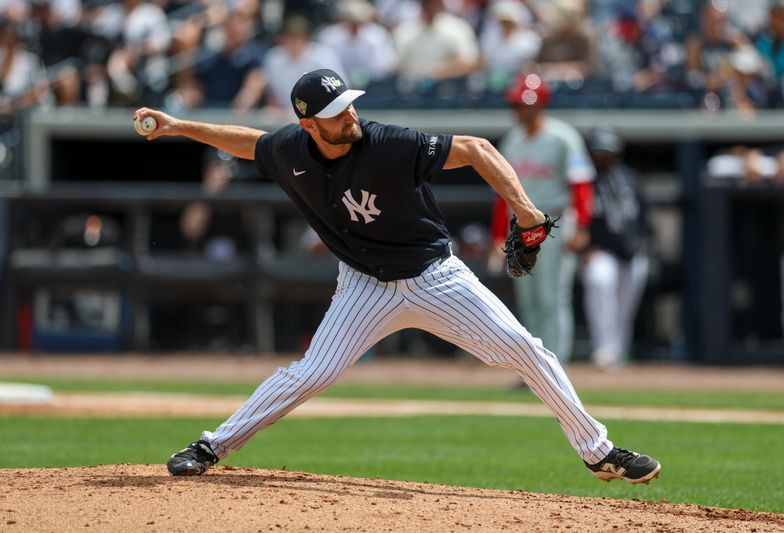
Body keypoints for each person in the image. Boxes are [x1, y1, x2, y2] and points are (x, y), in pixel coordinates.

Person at [133, 68, 660, 484]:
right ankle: (211, 446)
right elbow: (247, 142)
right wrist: (180, 126)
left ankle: (599, 452)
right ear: (310, 126)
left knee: (526, 348)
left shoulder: (387, 143)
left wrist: (523, 210)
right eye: (337, 112)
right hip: (363, 284)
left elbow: (477, 149)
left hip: (436, 276)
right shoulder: (290, 151)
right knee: (313, 372)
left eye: (350, 102)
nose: (351, 114)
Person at [489, 72, 594, 364]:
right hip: (521, 228)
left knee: (552, 297)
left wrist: (582, 225)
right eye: (517, 104)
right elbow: (503, 193)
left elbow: (582, 185)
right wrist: (498, 233)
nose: (519, 109)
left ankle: (555, 363)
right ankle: (534, 365)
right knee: (529, 301)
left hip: (555, 222)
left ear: (540, 104)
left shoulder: (564, 137)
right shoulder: (512, 140)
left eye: (525, 104)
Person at [581, 126, 650, 369]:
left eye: (607, 154)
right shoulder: (584, 179)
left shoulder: (630, 178)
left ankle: (618, 350)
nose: (602, 159)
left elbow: (643, 216)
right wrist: (585, 248)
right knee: (600, 282)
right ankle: (604, 348)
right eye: (598, 154)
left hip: (632, 251)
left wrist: (644, 243)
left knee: (625, 307)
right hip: (600, 250)